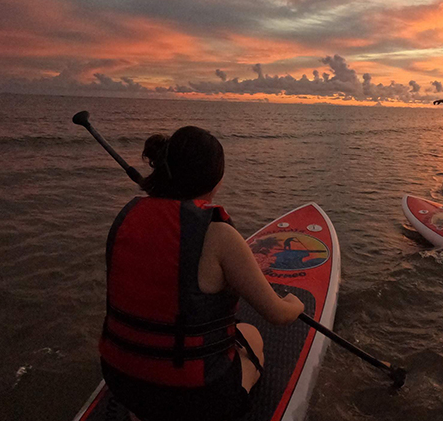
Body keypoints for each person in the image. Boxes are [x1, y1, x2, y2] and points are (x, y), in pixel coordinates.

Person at [99, 127, 305, 421]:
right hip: (192, 399)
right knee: (253, 339)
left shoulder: (126, 220)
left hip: (120, 380)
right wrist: (295, 304)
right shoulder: (219, 235)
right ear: (216, 179)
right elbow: (277, 315)